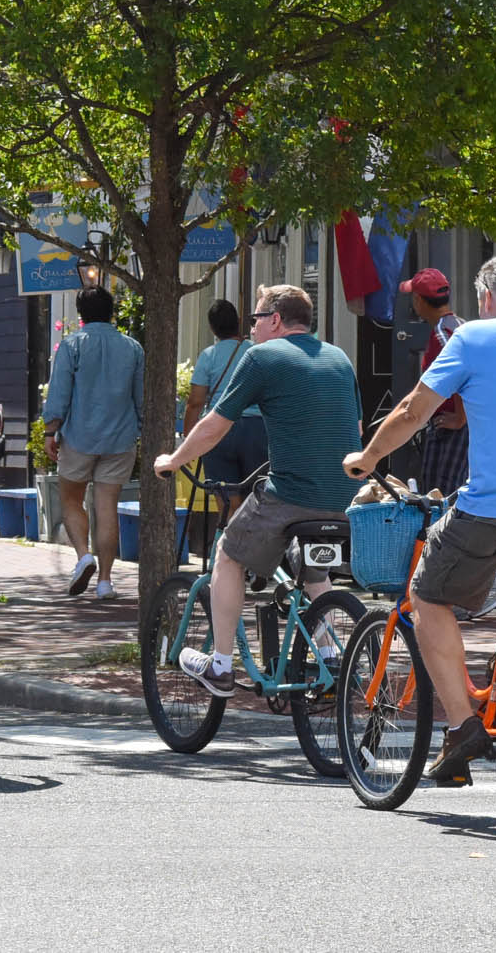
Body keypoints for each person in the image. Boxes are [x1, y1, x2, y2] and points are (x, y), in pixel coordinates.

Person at [343, 254, 496, 786]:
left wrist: (367, 458)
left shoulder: (473, 338)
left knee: (427, 595)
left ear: (485, 299)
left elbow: (415, 410)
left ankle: (462, 727)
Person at [154, 283, 360, 697]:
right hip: (342, 496)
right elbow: (353, 430)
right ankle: (332, 657)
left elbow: (216, 423)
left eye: (255, 319)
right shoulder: (339, 358)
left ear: (276, 320)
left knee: (228, 555)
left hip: (290, 494)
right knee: (312, 568)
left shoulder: (262, 357)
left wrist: (173, 461)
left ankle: (220, 666)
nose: (251, 329)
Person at [42, 285, 143, 600]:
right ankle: (105, 581)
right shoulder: (133, 348)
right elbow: (141, 396)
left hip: (79, 437)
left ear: (80, 314)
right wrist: (141, 428)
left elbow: (59, 392)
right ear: (112, 311)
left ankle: (84, 556)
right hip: (120, 438)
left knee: (72, 500)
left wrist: (50, 430)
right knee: (107, 506)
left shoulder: (72, 346)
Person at [183, 300, 268, 488]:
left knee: (226, 495)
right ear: (238, 321)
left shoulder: (208, 356)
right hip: (257, 429)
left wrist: (189, 441)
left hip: (218, 429)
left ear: (212, 328)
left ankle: (230, 516)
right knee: (256, 493)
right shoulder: (256, 352)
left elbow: (195, 402)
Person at [402, 269, 468, 498]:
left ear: (419, 300)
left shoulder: (443, 333)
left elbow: (462, 371)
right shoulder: (458, 324)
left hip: (451, 430)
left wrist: (460, 417)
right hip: (450, 425)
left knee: (440, 495)